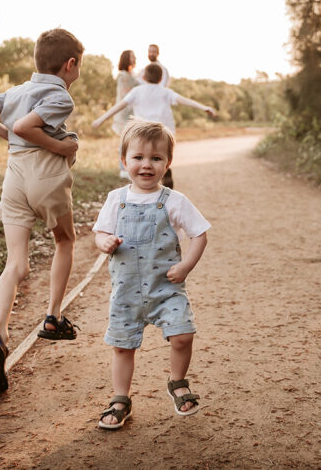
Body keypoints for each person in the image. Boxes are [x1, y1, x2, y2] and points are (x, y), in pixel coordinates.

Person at [0, 28, 85, 393]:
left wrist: (8, 138)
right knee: (65, 240)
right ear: (70, 64)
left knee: (15, 264)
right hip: (45, 175)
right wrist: (61, 147)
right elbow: (25, 125)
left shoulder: (16, 91)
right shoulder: (60, 96)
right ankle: (53, 317)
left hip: (14, 176)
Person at [91, 121, 210, 429]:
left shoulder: (173, 200)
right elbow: (101, 232)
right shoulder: (115, 199)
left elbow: (199, 235)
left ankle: (177, 382)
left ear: (167, 163)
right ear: (124, 161)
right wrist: (105, 241)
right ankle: (120, 399)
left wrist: (185, 267)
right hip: (126, 290)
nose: (146, 165)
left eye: (156, 159)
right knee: (122, 345)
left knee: (183, 334)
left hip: (165, 289)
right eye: (138, 157)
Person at [91, 63, 215, 188]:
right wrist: (204, 107)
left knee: (143, 157)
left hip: (142, 133)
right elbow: (184, 100)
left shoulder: (137, 91)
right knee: (159, 158)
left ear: (143, 77)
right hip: (163, 133)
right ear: (161, 79)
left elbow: (119, 106)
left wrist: (101, 119)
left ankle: (142, 185)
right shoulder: (165, 91)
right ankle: (164, 179)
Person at [112, 50, 140, 177]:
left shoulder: (130, 75)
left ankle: (128, 167)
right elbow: (129, 92)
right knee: (125, 141)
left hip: (131, 112)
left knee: (131, 141)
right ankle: (123, 168)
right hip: (124, 113)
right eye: (132, 57)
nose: (134, 59)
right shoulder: (124, 76)